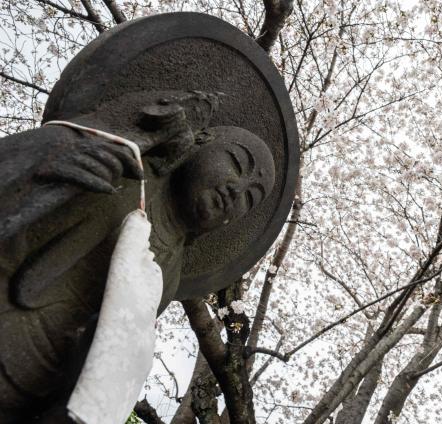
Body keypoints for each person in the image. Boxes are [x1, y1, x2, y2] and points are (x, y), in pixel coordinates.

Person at [0, 105, 275, 421]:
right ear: (201, 140)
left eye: (249, 198)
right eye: (236, 164)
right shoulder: (123, 174)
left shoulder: (167, 277)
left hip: (43, 389)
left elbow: (109, 348)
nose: (235, 190)